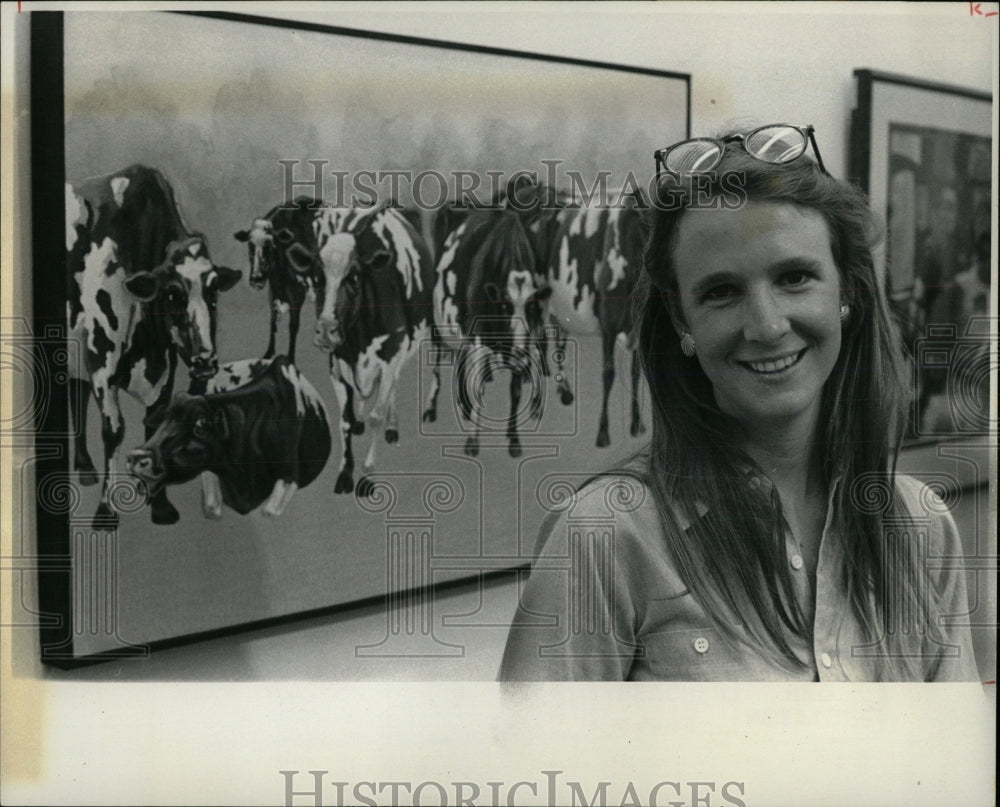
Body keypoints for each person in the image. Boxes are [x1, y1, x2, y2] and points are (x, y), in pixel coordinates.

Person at [499, 124, 979, 681]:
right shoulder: (605, 536)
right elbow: (530, 766)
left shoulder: (921, 527)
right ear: (683, 320)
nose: (768, 325)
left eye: (795, 277)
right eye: (721, 291)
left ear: (846, 291)